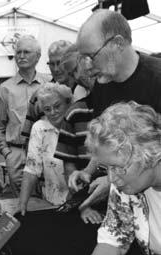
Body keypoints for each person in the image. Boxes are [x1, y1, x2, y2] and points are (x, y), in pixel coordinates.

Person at [64, 101, 161, 255]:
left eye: (117, 168)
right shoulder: (126, 186)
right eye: (106, 168)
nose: (111, 178)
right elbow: (116, 237)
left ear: (150, 156)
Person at [68, 9, 161, 212]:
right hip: (129, 204)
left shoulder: (157, 79)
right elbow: (105, 140)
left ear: (117, 43)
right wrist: (88, 171)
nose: (88, 66)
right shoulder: (103, 86)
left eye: (91, 56)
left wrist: (111, 181)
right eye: (83, 58)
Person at [53, 45, 103, 224]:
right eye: (72, 74)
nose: (77, 77)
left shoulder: (122, 105)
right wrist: (83, 205)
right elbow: (70, 168)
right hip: (92, 204)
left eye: (75, 69)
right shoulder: (75, 112)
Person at [0, 35, 46, 194]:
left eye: (26, 52)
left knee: (48, 196)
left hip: (46, 150)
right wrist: (7, 153)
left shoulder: (49, 84)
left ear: (38, 56)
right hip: (18, 153)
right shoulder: (5, 89)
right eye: (18, 52)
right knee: (23, 201)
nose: (21, 56)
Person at [19, 82, 72, 214]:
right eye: (47, 109)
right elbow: (32, 168)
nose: (53, 112)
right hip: (52, 202)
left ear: (67, 103)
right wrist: (22, 203)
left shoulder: (77, 124)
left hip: (83, 203)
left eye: (57, 106)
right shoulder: (40, 128)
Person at [21, 39, 79, 144]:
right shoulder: (39, 96)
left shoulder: (84, 91)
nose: (56, 69)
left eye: (60, 63)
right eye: (51, 64)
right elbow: (28, 138)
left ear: (72, 62)